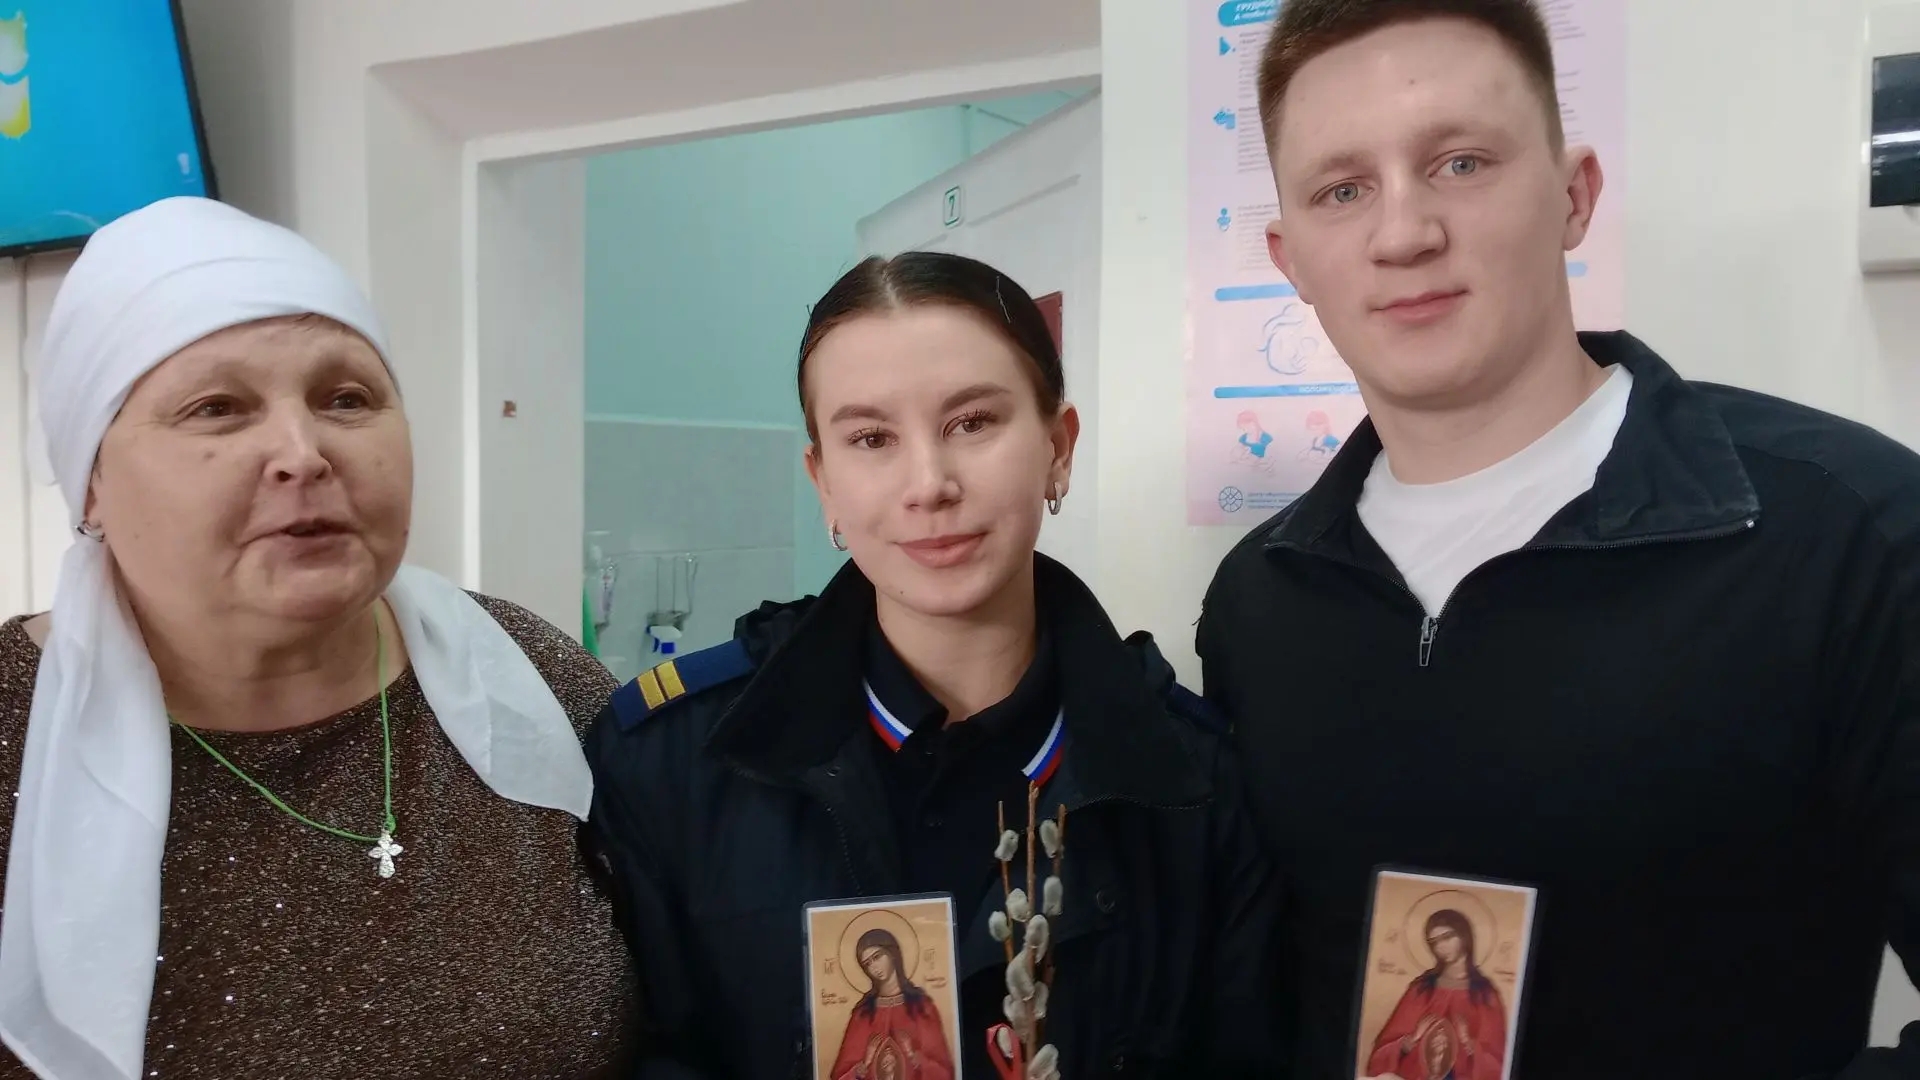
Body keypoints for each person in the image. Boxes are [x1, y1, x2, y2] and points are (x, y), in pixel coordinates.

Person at [1197, 0, 1920, 1077]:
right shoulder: (1260, 600)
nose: (1403, 234)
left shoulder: (1845, 534)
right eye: (1342, 191)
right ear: (1289, 255)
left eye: (1459, 164)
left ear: (1573, 196)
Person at [585, 252, 1283, 1078]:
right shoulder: (671, 765)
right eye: (871, 438)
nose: (930, 484)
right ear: (824, 483)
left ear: (1058, 448)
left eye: (973, 422)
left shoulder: (1196, 785)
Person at [0, 196, 633, 1079]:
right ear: (91, 480)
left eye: (347, 398)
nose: (303, 452)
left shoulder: (531, 679)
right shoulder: (14, 731)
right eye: (217, 408)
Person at [1364, 911, 1504, 1080]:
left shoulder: (1485, 994)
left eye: (1447, 937)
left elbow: (1498, 1060)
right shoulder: (1421, 989)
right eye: (1434, 942)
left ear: (1464, 936)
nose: (1440, 947)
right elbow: (1382, 1051)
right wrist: (1410, 1040)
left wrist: (1469, 1043)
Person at [829, 929, 954, 1080]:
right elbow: (840, 1076)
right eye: (867, 964)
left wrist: (914, 1057)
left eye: (877, 957)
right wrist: (864, 1065)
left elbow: (944, 1073)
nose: (874, 967)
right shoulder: (863, 1015)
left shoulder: (921, 1007)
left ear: (892, 953)